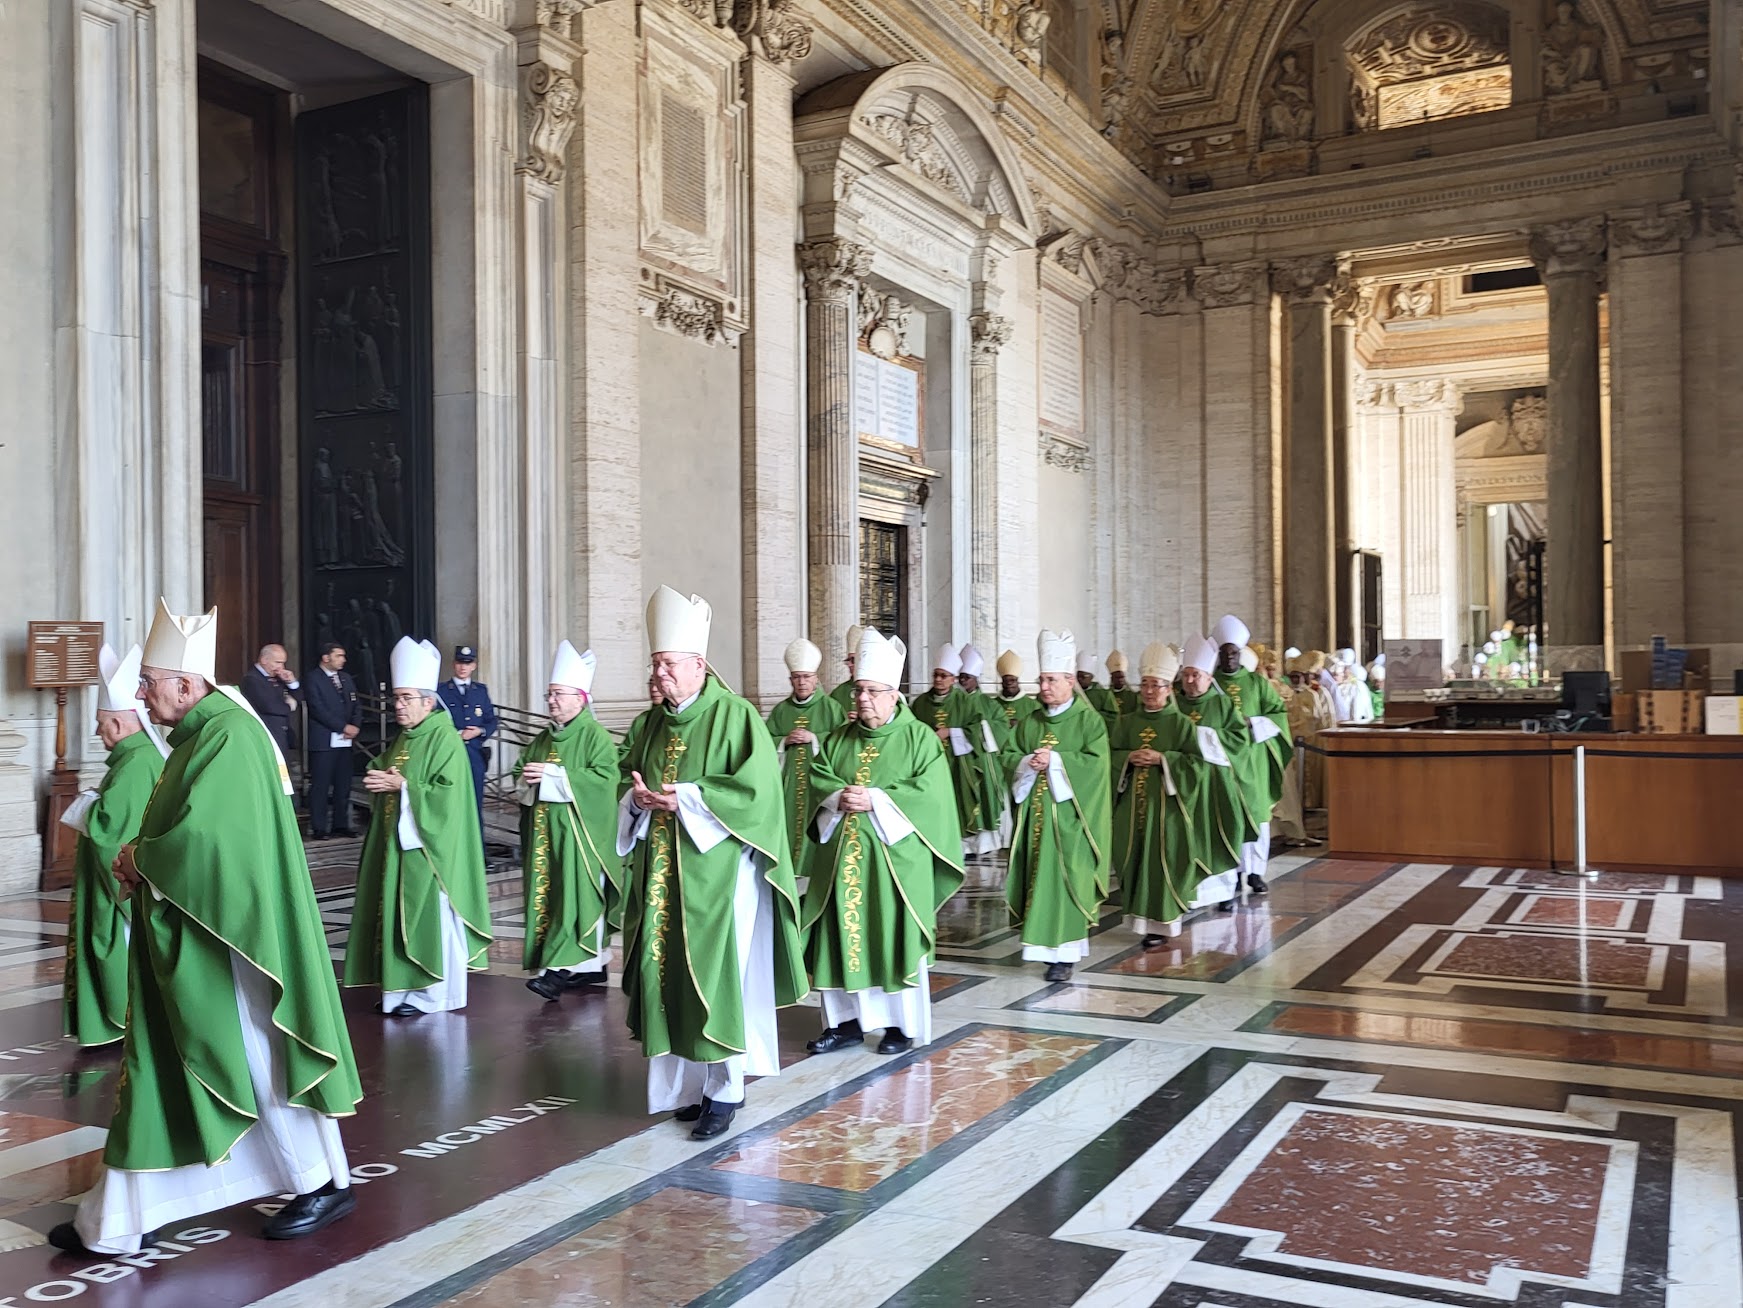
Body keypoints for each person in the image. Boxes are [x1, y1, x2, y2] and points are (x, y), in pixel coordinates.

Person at [53, 600, 361, 1257]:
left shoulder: (225, 736)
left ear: (189, 686)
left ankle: (318, 1181)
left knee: (254, 1054)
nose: (141, 695)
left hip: (230, 933)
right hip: (211, 922)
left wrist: (140, 856)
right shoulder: (205, 734)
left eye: (150, 683)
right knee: (233, 1058)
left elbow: (211, 843)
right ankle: (128, 1213)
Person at [616, 588, 807, 1140]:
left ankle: (726, 1090)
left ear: (698, 664)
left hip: (720, 876)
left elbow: (757, 793)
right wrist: (638, 800)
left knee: (719, 980)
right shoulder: (652, 723)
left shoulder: (736, 715)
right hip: (661, 874)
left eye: (668, 663)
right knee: (667, 976)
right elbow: (626, 778)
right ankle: (684, 1089)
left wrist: (691, 799)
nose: (660, 673)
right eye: (655, 663)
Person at [802, 628, 964, 1056]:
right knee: (839, 935)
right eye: (858, 691)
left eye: (872, 691)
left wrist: (876, 798)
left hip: (895, 865)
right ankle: (844, 1022)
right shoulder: (838, 739)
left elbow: (932, 797)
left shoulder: (919, 739)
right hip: (841, 861)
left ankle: (899, 1025)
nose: (862, 699)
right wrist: (838, 796)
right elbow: (820, 779)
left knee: (890, 935)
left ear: (894, 694)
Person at [345, 637, 492, 1017]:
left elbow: (449, 796)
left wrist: (404, 787)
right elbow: (386, 765)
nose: (398, 706)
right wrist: (376, 775)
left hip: (430, 853)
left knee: (428, 918)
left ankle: (430, 994)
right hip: (399, 847)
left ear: (428, 701)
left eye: (405, 698)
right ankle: (400, 990)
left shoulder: (445, 738)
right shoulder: (405, 737)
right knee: (395, 914)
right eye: (396, 699)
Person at [61, 643, 168, 1048]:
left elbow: (111, 830)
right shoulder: (135, 758)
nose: (97, 732)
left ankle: (122, 1022)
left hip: (121, 887)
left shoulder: (136, 762)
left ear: (120, 726)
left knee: (119, 951)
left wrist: (86, 810)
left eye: (101, 723)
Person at [1109, 642, 1245, 947]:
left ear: (1169, 688)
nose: (1148, 692)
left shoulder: (1181, 724)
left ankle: (1162, 923)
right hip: (1132, 806)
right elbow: (1109, 755)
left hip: (1169, 807)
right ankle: (1138, 919)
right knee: (1132, 858)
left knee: (1164, 859)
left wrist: (1164, 760)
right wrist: (1127, 759)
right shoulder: (1126, 722)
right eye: (1144, 685)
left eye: (1155, 685)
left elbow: (1196, 763)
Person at [513, 640, 621, 1002]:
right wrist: (528, 777)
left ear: (580, 697)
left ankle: (559, 972)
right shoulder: (544, 737)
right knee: (552, 899)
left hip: (580, 839)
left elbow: (605, 781)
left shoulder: (596, 737)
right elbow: (521, 769)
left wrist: (555, 776)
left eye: (558, 694)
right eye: (549, 695)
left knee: (574, 900)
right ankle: (592, 966)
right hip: (546, 836)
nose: (552, 701)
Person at [1003, 629, 1112, 982]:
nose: (1044, 686)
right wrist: (1026, 763)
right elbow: (1008, 756)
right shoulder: (1032, 721)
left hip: (1070, 821)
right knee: (1036, 878)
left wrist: (1056, 761)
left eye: (1051, 680)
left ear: (1069, 681)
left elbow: (1096, 766)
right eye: (1042, 680)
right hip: (1034, 819)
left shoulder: (1088, 721)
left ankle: (1065, 955)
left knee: (1067, 881)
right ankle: (1038, 948)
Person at [1174, 635, 1260, 911]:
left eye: (1195, 675)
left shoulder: (1221, 706)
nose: (1189, 681)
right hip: (1181, 784)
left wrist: (1202, 736)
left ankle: (1222, 892)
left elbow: (1238, 740)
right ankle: (1185, 891)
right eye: (1186, 675)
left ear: (1209, 678)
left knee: (1215, 836)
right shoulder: (1174, 705)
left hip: (1214, 786)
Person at [1211, 615, 1294, 897]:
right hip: (1223, 762)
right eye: (1224, 654)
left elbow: (1278, 714)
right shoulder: (1210, 683)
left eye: (1234, 653)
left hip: (1253, 760)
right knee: (1228, 815)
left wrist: (1252, 723)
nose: (1229, 659)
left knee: (1255, 816)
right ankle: (1232, 873)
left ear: (1241, 654)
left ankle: (1256, 872)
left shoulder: (1257, 684)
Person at [911, 644, 1002, 858]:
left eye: (944, 676)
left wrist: (951, 732)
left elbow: (978, 729)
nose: (939, 679)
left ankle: (962, 845)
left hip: (959, 764)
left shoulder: (965, 702)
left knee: (960, 802)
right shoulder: (920, 703)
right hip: (930, 763)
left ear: (953, 679)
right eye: (936, 675)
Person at [765, 638, 848, 870]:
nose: (802, 682)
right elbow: (763, 742)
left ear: (816, 678)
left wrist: (814, 739)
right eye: (797, 677)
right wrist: (783, 741)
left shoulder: (831, 708)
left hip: (817, 784)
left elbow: (842, 741)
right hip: (788, 784)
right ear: (791, 679)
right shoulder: (781, 711)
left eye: (806, 677)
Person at [304, 641, 362, 840]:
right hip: (324, 741)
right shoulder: (313, 678)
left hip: (345, 742)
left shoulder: (345, 678)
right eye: (339, 656)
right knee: (321, 785)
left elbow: (356, 704)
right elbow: (318, 708)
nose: (343, 660)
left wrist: (355, 725)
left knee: (343, 784)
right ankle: (319, 827)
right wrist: (342, 727)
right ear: (326, 657)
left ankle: (341, 824)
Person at [438, 644, 497, 828]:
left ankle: (478, 854)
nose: (463, 667)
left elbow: (491, 720)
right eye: (460, 662)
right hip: (450, 755)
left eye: (468, 663)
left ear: (474, 666)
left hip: (474, 756)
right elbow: (436, 721)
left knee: (475, 804)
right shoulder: (441, 691)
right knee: (450, 802)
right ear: (454, 664)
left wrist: (479, 731)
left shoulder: (480, 691)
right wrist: (457, 735)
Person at [240, 643, 300, 758]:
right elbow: (269, 706)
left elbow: (299, 698)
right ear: (264, 660)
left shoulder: (278, 677)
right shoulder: (252, 679)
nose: (281, 667)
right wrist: (289, 706)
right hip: (266, 733)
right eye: (277, 662)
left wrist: (291, 682)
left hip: (282, 734)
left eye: (283, 663)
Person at [993, 649, 1037, 730]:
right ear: (1001, 682)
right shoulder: (992, 705)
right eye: (1006, 680)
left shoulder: (1033, 706)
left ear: (1018, 682)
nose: (1009, 684)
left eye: (1012, 680)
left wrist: (1020, 725)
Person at [827, 624, 865, 719]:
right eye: (848, 660)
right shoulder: (838, 693)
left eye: (853, 660)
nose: (850, 665)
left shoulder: (878, 690)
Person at [1074, 651, 1121, 725]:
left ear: (1091, 677)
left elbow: (1113, 717)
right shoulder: (1072, 693)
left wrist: (1091, 717)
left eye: (1083, 677)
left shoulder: (1104, 694)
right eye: (1078, 676)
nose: (1079, 679)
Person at [1105, 650, 1139, 716]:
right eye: (1117, 677)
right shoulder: (1106, 695)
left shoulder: (1132, 695)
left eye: (1122, 677)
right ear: (1112, 678)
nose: (1120, 680)